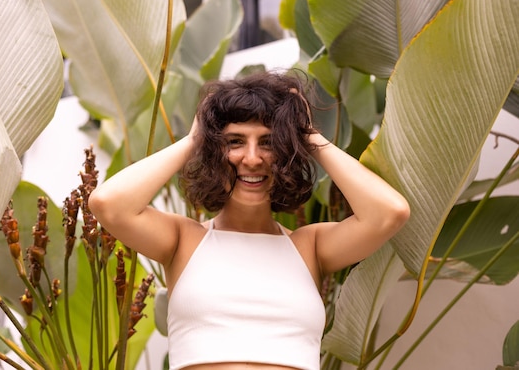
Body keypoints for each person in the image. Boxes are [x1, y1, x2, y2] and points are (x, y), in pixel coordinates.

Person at [89, 71, 410, 370]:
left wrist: (308, 137)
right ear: (215, 148)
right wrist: (194, 140)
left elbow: (389, 213)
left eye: (268, 142)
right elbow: (109, 204)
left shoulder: (310, 246)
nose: (253, 158)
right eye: (235, 141)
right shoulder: (182, 239)